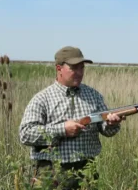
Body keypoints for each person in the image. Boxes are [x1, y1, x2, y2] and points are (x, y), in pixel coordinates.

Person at [19, 46, 123, 189]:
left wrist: (111, 124)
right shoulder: (42, 99)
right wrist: (62, 130)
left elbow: (105, 129)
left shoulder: (93, 95)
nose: (79, 73)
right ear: (59, 68)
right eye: (74, 68)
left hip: (87, 170)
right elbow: (25, 134)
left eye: (82, 68)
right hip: (50, 171)